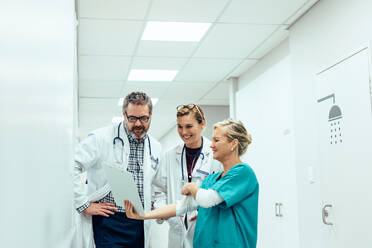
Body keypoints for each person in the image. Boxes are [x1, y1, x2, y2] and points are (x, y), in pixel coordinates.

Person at [126, 119, 259, 248]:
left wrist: (192, 187)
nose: (211, 145)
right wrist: (143, 215)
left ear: (233, 144)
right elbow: (181, 206)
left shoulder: (243, 173)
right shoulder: (211, 180)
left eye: (216, 140)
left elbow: (207, 199)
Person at [73, 91, 161, 248]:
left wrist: (158, 207)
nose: (138, 124)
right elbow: (72, 165)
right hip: (110, 219)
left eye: (143, 118)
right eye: (132, 118)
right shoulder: (101, 138)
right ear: (124, 115)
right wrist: (83, 204)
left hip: (139, 221)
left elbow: (158, 186)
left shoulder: (155, 147)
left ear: (151, 115)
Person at [152, 104, 223, 248]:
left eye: (189, 126)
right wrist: (164, 212)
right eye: (180, 126)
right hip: (176, 230)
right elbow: (158, 191)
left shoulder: (216, 156)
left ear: (202, 124)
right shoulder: (170, 156)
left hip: (205, 229)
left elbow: (221, 194)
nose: (184, 132)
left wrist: (206, 213)